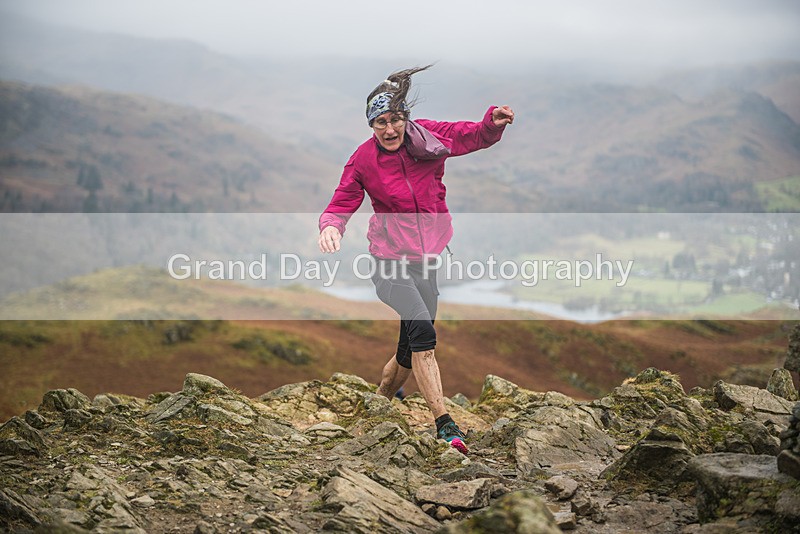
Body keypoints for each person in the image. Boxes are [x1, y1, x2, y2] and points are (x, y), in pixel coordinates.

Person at [318, 65, 513, 454]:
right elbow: (342, 200)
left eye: (394, 119)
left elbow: (471, 135)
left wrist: (491, 124)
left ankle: (379, 404)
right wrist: (331, 226)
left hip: (428, 260)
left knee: (408, 348)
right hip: (389, 263)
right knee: (424, 335)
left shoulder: (428, 137)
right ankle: (445, 425)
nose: (388, 130)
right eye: (379, 123)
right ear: (371, 125)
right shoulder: (363, 160)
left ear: (405, 117)